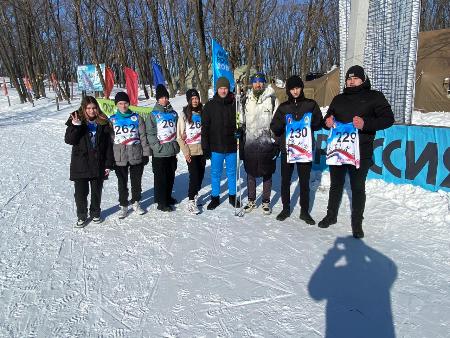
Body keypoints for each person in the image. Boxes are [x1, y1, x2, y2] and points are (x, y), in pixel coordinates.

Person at [319, 65, 394, 238]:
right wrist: (327, 122)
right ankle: (331, 216)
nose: (351, 82)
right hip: (338, 150)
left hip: (361, 151)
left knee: (357, 187)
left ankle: (357, 223)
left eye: (355, 78)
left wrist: (365, 124)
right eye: (349, 79)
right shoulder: (338, 99)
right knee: (336, 185)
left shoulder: (374, 96)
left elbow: (388, 119)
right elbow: (327, 119)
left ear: (363, 79)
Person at [270, 75, 322, 223]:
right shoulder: (283, 107)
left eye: (297, 88)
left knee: (304, 182)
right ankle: (286, 208)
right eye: (292, 89)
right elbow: (274, 127)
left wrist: (314, 121)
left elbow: (319, 124)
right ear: (288, 90)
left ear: (301, 88)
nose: (295, 91)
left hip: (304, 151)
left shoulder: (311, 105)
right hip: (288, 150)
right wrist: (280, 126)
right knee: (285, 180)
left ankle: (304, 211)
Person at [65, 96, 114, 227]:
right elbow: (69, 140)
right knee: (80, 193)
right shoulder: (76, 119)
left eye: (94, 108)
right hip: (81, 163)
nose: (92, 111)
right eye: (89, 108)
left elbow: (108, 145)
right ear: (84, 108)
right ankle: (82, 215)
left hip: (98, 162)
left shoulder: (103, 121)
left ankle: (95, 213)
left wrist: (109, 164)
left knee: (96, 191)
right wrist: (76, 126)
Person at [240, 72, 279, 215]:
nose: (258, 84)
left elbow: (277, 122)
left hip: (266, 142)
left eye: (261, 82)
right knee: (250, 172)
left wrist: (276, 143)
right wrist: (239, 130)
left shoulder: (272, 99)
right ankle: (251, 200)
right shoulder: (246, 99)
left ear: (264, 83)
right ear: (252, 84)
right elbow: (241, 119)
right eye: (255, 82)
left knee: (267, 173)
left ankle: (266, 201)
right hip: (250, 142)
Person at [202, 76, 240, 210]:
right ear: (217, 89)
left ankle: (232, 196)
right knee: (215, 173)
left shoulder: (235, 104)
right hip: (216, 147)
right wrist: (205, 147)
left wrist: (240, 131)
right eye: (221, 88)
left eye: (225, 88)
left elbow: (240, 122)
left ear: (228, 89)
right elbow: (205, 128)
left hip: (231, 146)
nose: (223, 91)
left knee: (231, 172)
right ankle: (215, 197)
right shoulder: (210, 106)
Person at [110, 92, 151, 219]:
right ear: (117, 104)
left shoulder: (137, 118)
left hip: (136, 154)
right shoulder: (112, 120)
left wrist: (145, 154)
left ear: (129, 103)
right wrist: (110, 158)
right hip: (120, 156)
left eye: (125, 103)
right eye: (120, 103)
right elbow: (109, 141)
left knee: (136, 181)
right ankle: (123, 205)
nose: (123, 106)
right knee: (122, 183)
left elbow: (143, 137)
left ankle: (136, 202)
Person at [146, 84, 180, 212]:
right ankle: (161, 201)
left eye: (166, 97)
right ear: (157, 99)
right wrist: (156, 147)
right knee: (161, 177)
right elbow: (150, 133)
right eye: (161, 97)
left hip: (171, 150)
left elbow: (177, 129)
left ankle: (167, 196)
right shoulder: (153, 114)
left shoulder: (173, 113)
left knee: (171, 175)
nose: (164, 99)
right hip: (160, 152)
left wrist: (176, 145)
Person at [177, 88, 205, 214]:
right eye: (192, 99)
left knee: (200, 175)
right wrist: (186, 152)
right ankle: (191, 201)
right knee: (193, 175)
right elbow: (179, 136)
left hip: (202, 149)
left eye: (196, 98)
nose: (195, 101)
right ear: (188, 100)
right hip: (191, 150)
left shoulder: (203, 112)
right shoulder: (183, 114)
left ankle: (195, 194)